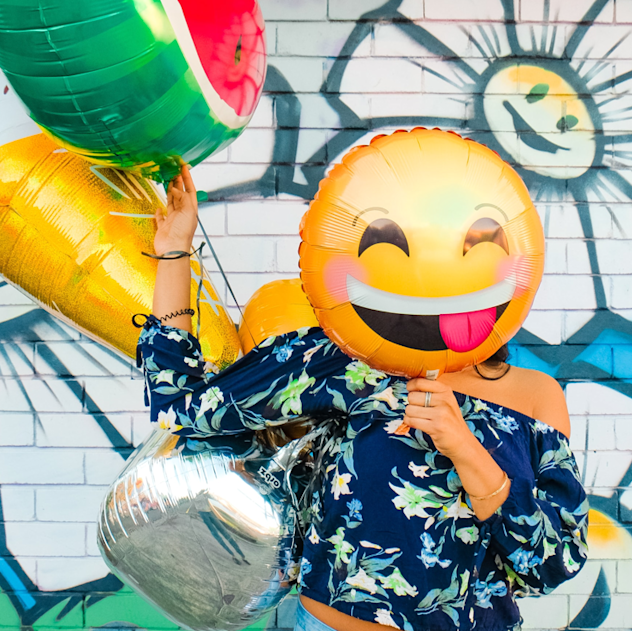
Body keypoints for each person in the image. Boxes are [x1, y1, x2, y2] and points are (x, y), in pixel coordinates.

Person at [138, 166, 588, 631]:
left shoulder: (536, 398)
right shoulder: (351, 359)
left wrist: (467, 450)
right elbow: (188, 406)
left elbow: (551, 565)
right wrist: (174, 251)